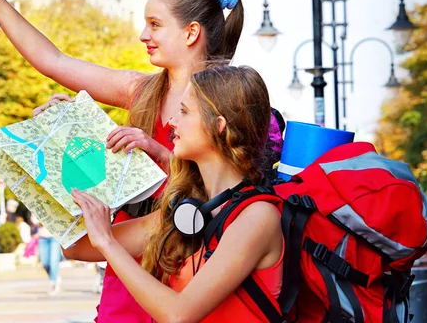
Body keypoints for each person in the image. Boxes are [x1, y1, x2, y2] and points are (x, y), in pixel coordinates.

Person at [0, 0, 283, 322]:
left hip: (198, 247)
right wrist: (67, 127)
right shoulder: (143, 90)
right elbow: (53, 60)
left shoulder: (231, 99)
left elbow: (237, 181)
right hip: (140, 242)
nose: (143, 35)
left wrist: (157, 152)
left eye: (155, 24)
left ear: (191, 32)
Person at [72, 65, 284, 322]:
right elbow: (76, 247)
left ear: (218, 125)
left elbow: (179, 314)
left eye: (184, 112)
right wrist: (65, 129)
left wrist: (107, 242)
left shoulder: (257, 216)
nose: (172, 121)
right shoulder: (190, 209)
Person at [37, 224, 63, 296]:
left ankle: (53, 284)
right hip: (42, 237)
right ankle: (55, 276)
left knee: (54, 261)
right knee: (44, 262)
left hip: (55, 235)